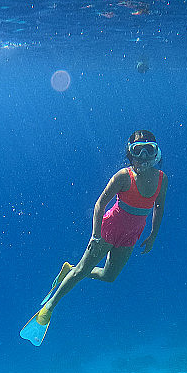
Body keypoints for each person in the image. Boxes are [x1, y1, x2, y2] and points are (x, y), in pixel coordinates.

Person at [21, 130, 168, 345]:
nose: (144, 156)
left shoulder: (162, 179)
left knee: (109, 276)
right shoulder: (122, 176)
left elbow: (159, 207)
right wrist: (95, 235)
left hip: (131, 235)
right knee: (82, 271)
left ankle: (69, 270)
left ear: (156, 152)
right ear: (130, 153)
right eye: (138, 150)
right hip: (109, 229)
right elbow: (100, 204)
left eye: (149, 150)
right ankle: (48, 308)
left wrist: (153, 235)